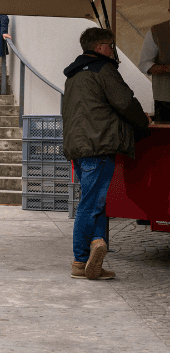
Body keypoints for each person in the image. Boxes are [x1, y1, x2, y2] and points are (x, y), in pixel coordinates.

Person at [62, 28, 150, 280]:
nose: (112, 50)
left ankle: (97, 247)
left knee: (97, 202)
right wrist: (141, 123)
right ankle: (80, 260)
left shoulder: (74, 74)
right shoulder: (104, 69)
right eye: (110, 46)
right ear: (100, 47)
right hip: (98, 146)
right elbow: (125, 102)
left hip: (78, 146)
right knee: (90, 204)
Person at [137, 0, 170, 122]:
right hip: (166, 100)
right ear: (169, 11)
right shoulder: (157, 31)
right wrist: (166, 68)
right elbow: (144, 64)